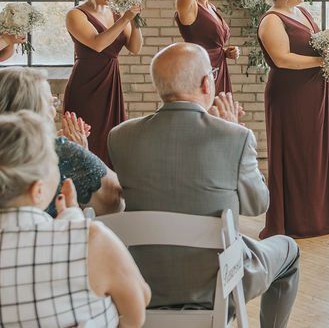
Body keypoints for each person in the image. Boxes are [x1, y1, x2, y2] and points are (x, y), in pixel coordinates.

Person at [108, 43, 300, 327]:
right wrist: (235, 129)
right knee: (289, 249)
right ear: (206, 83)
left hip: (143, 281)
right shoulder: (235, 137)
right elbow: (257, 204)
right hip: (221, 284)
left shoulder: (120, 137)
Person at [0, 110, 150, 327]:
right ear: (38, 190)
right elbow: (138, 302)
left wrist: (71, 219)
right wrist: (78, 227)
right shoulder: (91, 240)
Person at [257, 0, 329, 238]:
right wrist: (324, 61)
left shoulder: (304, 13)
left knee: (318, 151)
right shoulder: (271, 20)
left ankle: (324, 215)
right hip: (291, 96)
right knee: (299, 153)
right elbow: (282, 59)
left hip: (317, 91)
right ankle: (300, 220)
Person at [0, 66, 123, 216]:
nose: (54, 111)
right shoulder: (61, 151)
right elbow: (115, 203)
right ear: (35, 110)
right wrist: (80, 155)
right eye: (51, 103)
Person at [64, 0, 144, 165]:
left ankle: (110, 194)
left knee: (112, 142)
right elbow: (97, 44)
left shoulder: (116, 14)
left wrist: (135, 21)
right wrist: (125, 19)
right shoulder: (76, 15)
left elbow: (135, 48)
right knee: (85, 143)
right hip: (86, 87)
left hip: (111, 84)